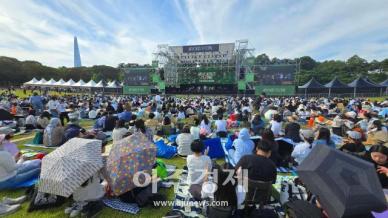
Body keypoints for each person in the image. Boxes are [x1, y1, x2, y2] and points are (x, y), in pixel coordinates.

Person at [234, 140, 277, 206]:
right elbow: (273, 182)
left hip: (244, 196)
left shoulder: (245, 159)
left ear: (257, 148)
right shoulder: (272, 166)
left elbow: (235, 173)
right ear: (269, 152)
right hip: (262, 199)